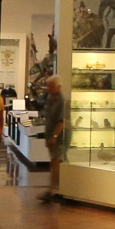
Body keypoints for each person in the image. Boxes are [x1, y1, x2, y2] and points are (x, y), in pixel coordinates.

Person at [38, 74, 69, 204]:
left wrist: (55, 136)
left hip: (59, 138)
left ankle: (52, 191)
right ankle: (64, 189)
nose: (48, 88)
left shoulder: (62, 101)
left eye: (51, 86)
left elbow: (61, 121)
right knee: (58, 162)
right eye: (48, 86)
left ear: (58, 87)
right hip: (51, 136)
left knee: (56, 162)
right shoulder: (50, 98)